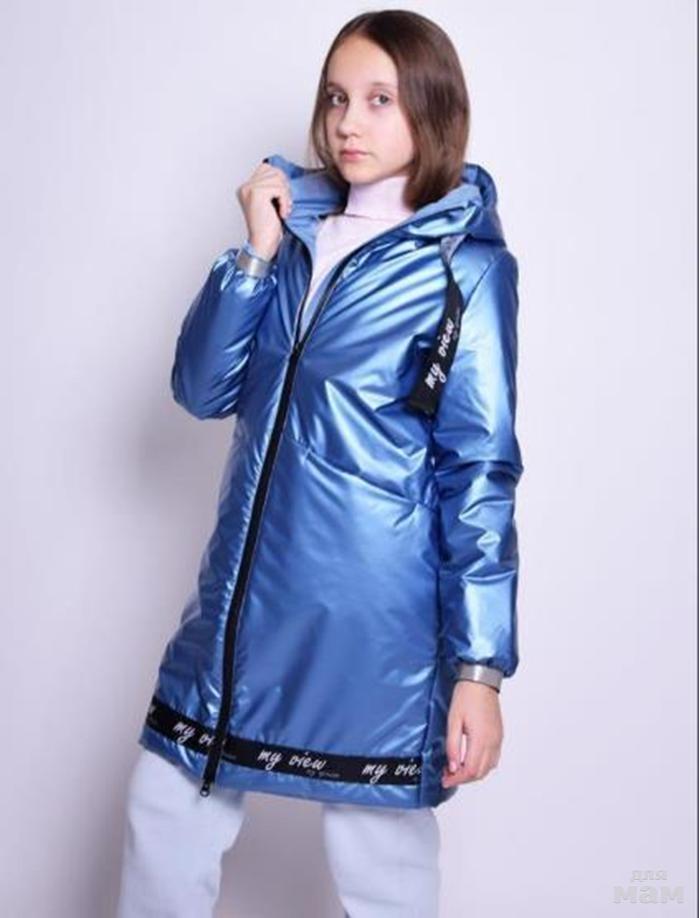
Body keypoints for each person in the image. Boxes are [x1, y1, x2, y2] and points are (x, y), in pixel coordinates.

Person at [116, 9, 524, 917]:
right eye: (337, 98)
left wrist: (478, 670)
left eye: (379, 100)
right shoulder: (293, 235)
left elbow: (479, 473)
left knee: (379, 861)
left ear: (431, 110)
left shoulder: (466, 270)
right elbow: (200, 390)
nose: (348, 122)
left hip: (375, 628)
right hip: (238, 608)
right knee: (165, 806)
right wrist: (254, 255)